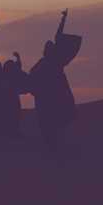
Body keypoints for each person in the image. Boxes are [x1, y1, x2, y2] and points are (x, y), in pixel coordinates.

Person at [29, 10, 78, 152]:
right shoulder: (47, 63)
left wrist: (63, 19)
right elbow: (33, 78)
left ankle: (56, 146)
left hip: (56, 96)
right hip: (48, 98)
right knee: (51, 123)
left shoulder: (54, 62)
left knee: (56, 122)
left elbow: (58, 37)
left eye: (48, 47)